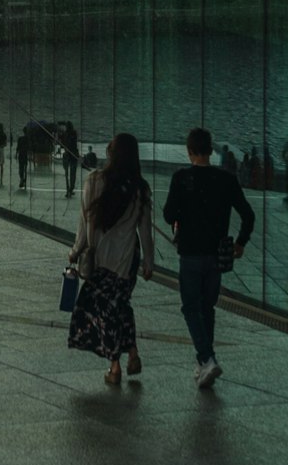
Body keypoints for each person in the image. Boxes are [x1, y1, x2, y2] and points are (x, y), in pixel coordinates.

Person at [163, 126, 255, 389]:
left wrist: (181, 211)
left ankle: (207, 358)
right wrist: (240, 242)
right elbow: (248, 215)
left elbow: (169, 215)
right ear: (211, 150)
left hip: (190, 253)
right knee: (207, 308)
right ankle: (204, 362)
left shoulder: (181, 178)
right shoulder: (226, 179)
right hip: (217, 255)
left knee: (190, 307)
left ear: (190, 151)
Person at [68, 132, 154, 385]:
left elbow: (84, 223)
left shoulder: (93, 180)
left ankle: (115, 366)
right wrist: (149, 262)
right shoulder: (141, 188)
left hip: (101, 260)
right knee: (120, 305)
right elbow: (145, 230)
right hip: (127, 261)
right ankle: (133, 354)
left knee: (105, 311)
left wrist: (75, 250)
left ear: (110, 153)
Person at [61, 122, 79, 199]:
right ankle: (70, 188)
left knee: (67, 174)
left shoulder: (66, 134)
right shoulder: (73, 133)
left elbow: (63, 144)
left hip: (68, 155)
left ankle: (69, 189)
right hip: (73, 155)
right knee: (72, 174)